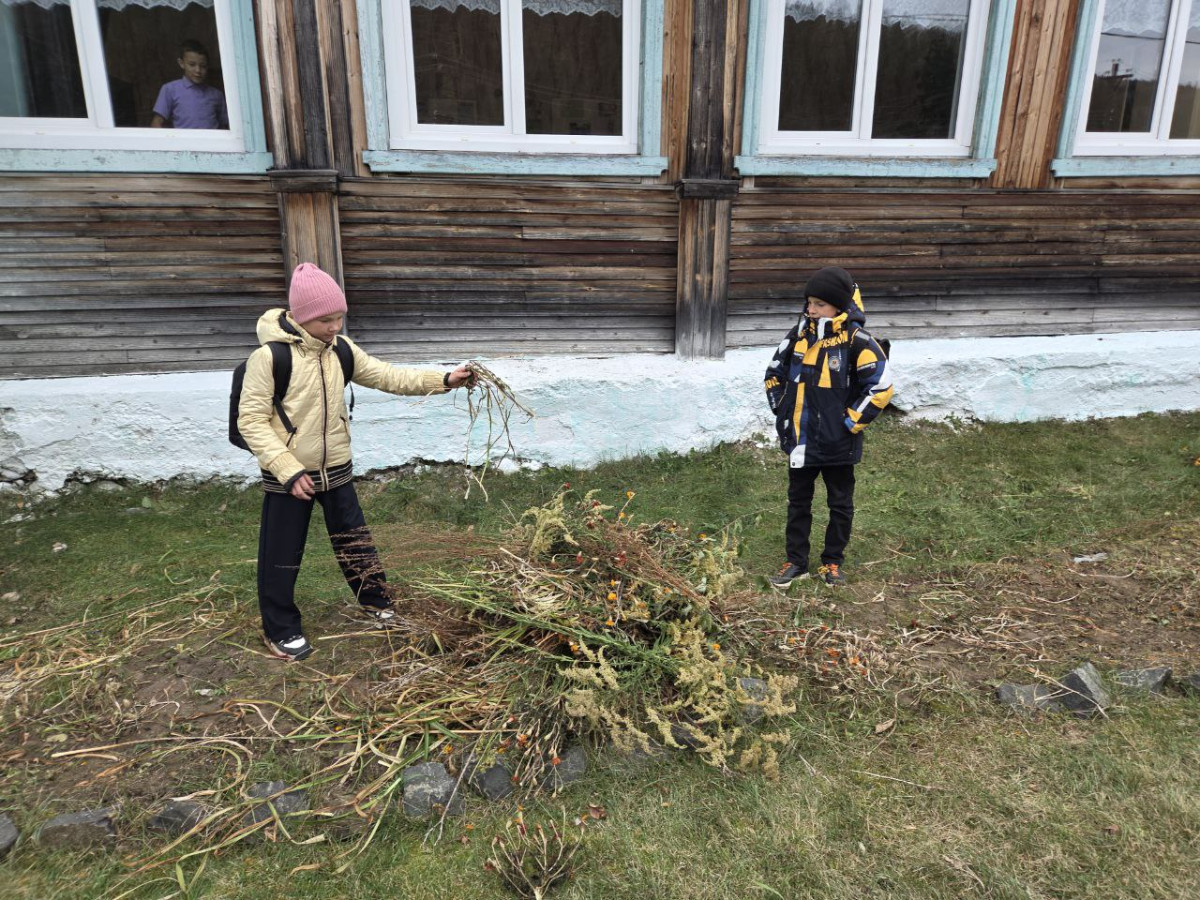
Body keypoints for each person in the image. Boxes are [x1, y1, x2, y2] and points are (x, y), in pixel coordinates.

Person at [237, 262, 474, 661]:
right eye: (326, 320)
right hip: (290, 475)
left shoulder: (341, 350)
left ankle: (377, 602)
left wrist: (444, 379)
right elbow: (251, 420)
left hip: (338, 469)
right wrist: (286, 468)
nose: (335, 326)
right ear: (302, 317)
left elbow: (388, 376)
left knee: (355, 542)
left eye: (339, 317)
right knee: (282, 552)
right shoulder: (270, 358)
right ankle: (280, 629)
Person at [763, 266, 893, 588]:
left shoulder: (857, 342)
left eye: (820, 304)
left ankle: (832, 562)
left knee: (840, 505)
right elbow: (773, 374)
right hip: (801, 441)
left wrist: (850, 422)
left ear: (838, 306)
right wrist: (783, 411)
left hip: (839, 444)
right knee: (798, 502)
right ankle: (796, 561)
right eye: (809, 303)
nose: (811, 310)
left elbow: (881, 387)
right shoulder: (797, 336)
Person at [150, 40, 229, 130]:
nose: (198, 70)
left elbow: (224, 126)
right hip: (183, 143)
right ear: (181, 63)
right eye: (192, 65)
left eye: (203, 66)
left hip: (212, 143)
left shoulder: (216, 95)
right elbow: (157, 122)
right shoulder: (170, 89)